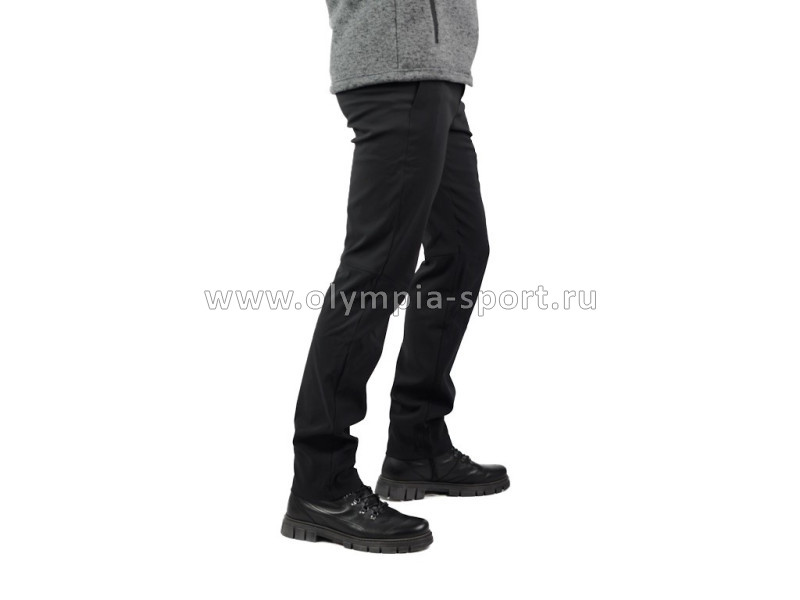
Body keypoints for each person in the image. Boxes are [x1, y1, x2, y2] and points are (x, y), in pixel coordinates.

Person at [281, 0, 509, 553]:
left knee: (461, 251)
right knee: (375, 273)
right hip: (394, 63)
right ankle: (320, 481)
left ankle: (417, 441)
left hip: (438, 70)